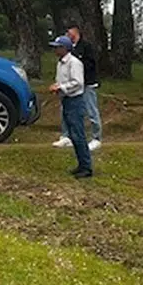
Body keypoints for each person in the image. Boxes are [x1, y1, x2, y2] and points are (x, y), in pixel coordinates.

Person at [52, 22, 102, 151]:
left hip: (87, 83)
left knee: (91, 111)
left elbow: (90, 65)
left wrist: (78, 73)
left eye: (69, 32)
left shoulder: (86, 47)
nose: (67, 35)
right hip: (71, 87)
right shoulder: (68, 52)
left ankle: (96, 138)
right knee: (66, 110)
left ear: (76, 32)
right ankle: (67, 136)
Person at [50, 34, 92, 179]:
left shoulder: (74, 63)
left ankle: (86, 166)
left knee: (78, 134)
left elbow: (78, 82)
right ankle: (81, 164)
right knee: (73, 135)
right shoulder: (60, 63)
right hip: (67, 100)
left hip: (75, 101)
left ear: (64, 48)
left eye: (57, 47)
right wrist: (58, 87)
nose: (55, 50)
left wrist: (61, 87)